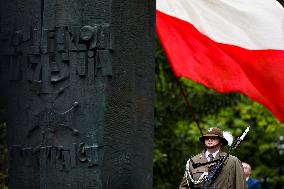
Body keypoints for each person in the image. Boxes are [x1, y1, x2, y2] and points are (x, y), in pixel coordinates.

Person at [179, 127, 247, 189]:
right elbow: (184, 186)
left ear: (221, 142)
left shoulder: (233, 161)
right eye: (207, 138)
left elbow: (240, 186)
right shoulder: (193, 161)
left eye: (213, 138)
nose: (209, 139)